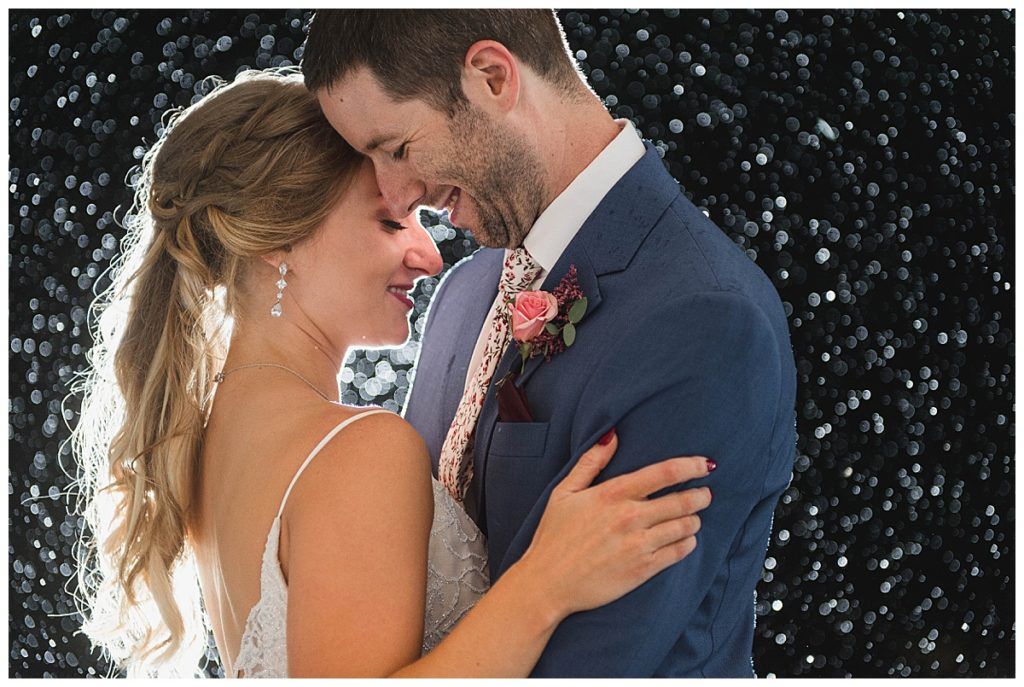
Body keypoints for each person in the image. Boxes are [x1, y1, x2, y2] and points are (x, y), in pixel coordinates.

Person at [71, 68, 714, 678]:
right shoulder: (358, 450)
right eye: (389, 222)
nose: (430, 256)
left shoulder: (208, 442)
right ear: (276, 238)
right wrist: (546, 583)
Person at [302, 9, 798, 677]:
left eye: (396, 148)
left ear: (492, 77)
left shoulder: (703, 319)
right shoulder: (462, 296)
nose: (395, 195)